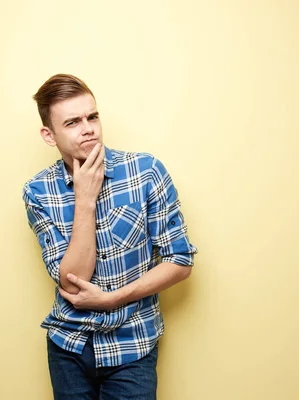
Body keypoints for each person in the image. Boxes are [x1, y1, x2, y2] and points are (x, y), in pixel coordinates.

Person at [22, 73, 197, 400]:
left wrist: (114, 298)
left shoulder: (145, 172)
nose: (88, 128)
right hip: (68, 349)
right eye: (73, 122)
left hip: (132, 345)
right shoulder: (38, 192)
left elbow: (180, 261)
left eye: (93, 116)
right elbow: (73, 283)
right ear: (49, 135)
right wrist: (85, 199)